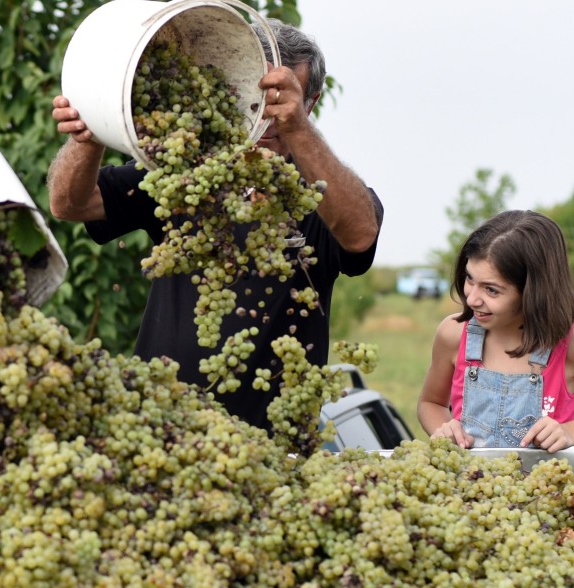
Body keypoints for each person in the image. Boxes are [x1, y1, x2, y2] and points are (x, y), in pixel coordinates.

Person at [47, 19, 382, 430]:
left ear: (309, 103)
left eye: (282, 103)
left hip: (273, 448)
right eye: (254, 97)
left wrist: (298, 131)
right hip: (163, 430)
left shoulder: (317, 193)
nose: (265, 117)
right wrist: (88, 135)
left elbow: (361, 235)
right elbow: (70, 204)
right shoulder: (187, 172)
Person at [417, 210, 574, 453]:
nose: (472, 300)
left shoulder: (568, 344)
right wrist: (445, 427)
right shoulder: (453, 334)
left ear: (534, 292)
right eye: (469, 279)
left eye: (491, 290)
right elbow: (430, 402)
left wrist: (567, 431)